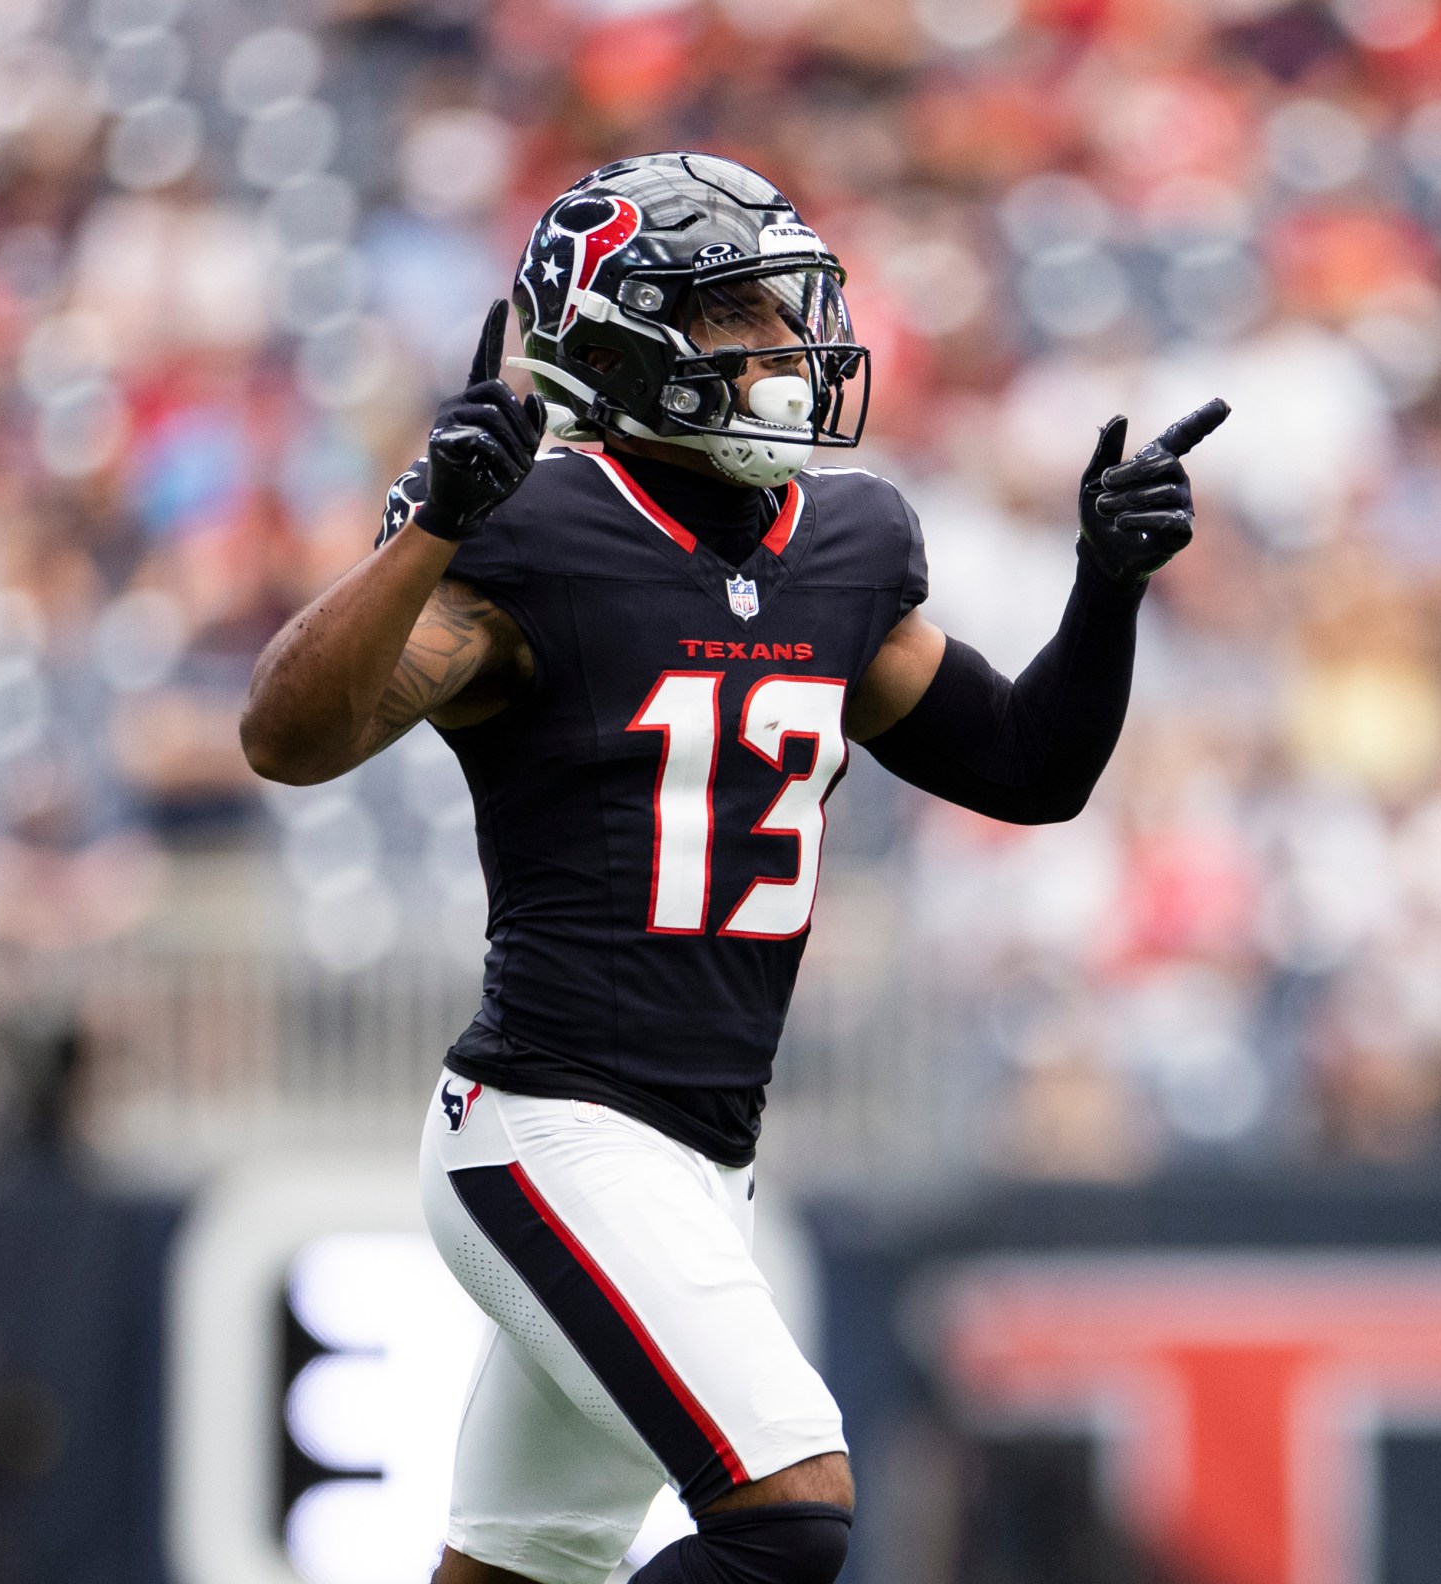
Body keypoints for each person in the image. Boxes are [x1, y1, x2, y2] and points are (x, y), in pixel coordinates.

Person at [238, 152, 1226, 1584]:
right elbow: (287, 737)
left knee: (525, 1567)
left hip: (701, 1157)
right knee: (786, 1516)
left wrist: (1106, 591)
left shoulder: (847, 542)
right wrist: (433, 527)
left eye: (787, 315)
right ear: (621, 338)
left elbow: (1027, 766)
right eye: (736, 323)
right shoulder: (539, 535)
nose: (784, 354)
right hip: (551, 1127)